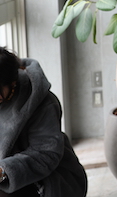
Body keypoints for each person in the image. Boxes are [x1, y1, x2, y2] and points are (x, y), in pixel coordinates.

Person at [0, 47, 87, 197]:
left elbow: (46, 154)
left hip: (49, 179)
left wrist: (3, 171)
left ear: (12, 83)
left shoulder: (42, 101)